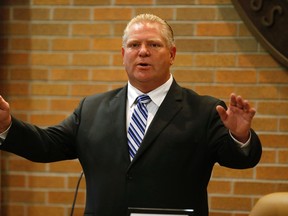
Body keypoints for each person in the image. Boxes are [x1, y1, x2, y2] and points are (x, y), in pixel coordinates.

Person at [0, 14, 261, 216]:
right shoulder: (92, 108)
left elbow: (239, 159)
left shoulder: (204, 110)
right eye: (134, 44)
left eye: (153, 44)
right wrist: (6, 125)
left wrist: (239, 136)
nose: (143, 51)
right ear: (123, 55)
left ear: (172, 55)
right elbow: (46, 146)